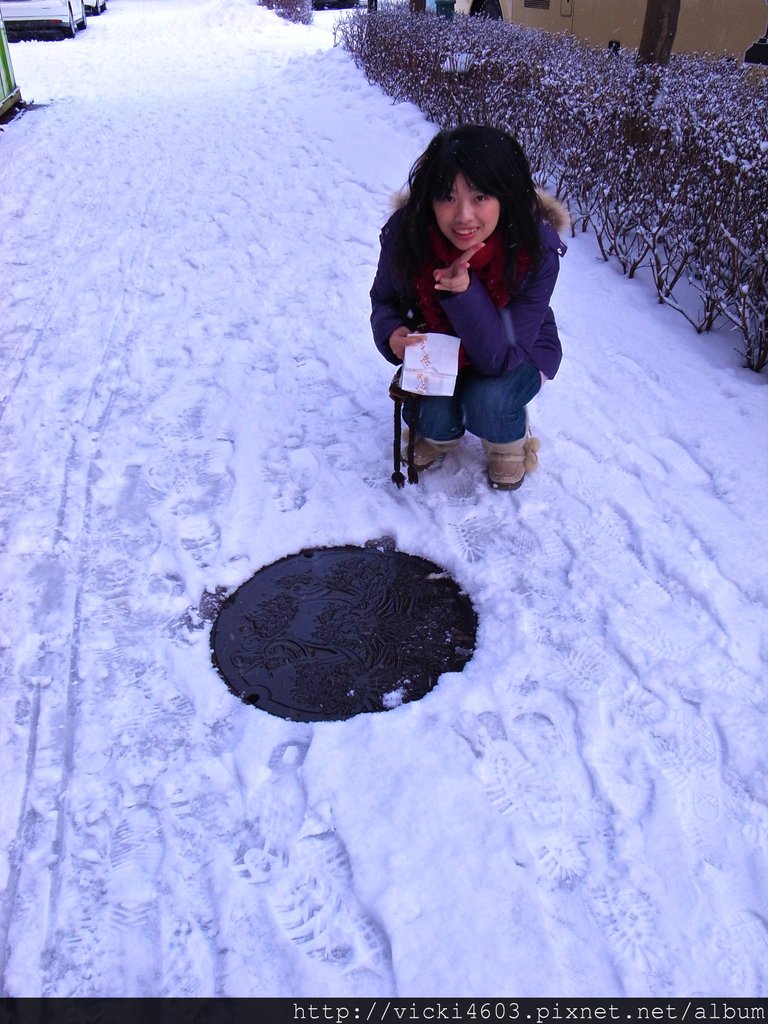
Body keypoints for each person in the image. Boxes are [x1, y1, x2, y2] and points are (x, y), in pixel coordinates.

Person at [370, 124, 569, 490]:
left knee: (488, 400)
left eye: (480, 197)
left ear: (506, 196)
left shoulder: (533, 252)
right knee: (432, 417)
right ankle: (439, 434)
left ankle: (508, 440)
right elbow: (384, 299)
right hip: (441, 352)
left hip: (516, 353)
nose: (463, 216)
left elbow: (501, 358)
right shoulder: (407, 235)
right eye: (447, 197)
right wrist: (391, 333)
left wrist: (462, 293)